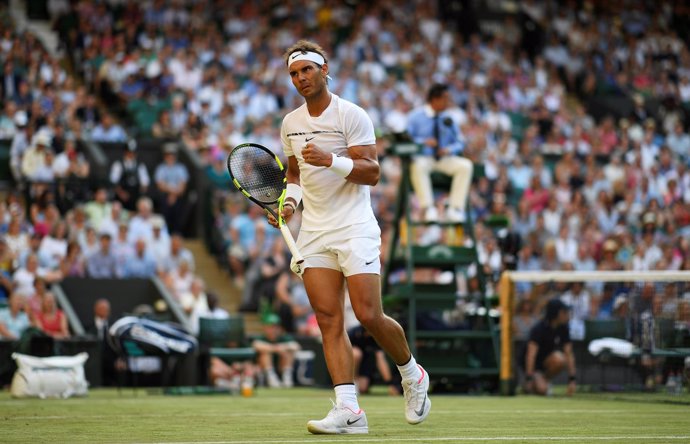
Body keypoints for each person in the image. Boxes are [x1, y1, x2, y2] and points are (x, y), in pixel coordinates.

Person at [272, 40, 430, 435]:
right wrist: (290, 204)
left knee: (368, 315)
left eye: (306, 70)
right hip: (315, 231)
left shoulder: (352, 114)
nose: (300, 78)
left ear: (324, 70)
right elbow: (294, 176)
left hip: (355, 226)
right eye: (293, 73)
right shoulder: (291, 123)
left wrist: (331, 160)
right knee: (328, 320)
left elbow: (372, 172)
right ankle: (349, 410)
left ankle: (412, 374)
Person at [406, 83, 473, 222]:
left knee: (466, 166)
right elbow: (406, 139)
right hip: (424, 158)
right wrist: (423, 142)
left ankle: (455, 208)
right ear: (434, 99)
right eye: (445, 98)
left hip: (443, 158)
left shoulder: (448, 118)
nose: (448, 102)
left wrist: (450, 149)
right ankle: (428, 208)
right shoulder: (415, 116)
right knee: (417, 165)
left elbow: (460, 142)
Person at [524, 298, 577, 396]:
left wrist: (572, 380)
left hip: (546, 363)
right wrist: (529, 378)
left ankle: (544, 380)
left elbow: (569, 353)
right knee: (542, 390)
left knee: (560, 359)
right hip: (534, 366)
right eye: (564, 312)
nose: (567, 315)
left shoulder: (564, 328)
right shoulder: (539, 329)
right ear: (556, 313)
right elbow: (530, 355)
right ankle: (533, 382)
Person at [348, 324, 400, 396]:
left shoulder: (376, 336)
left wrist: (390, 384)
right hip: (349, 365)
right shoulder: (352, 333)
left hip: (365, 364)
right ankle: (351, 383)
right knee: (356, 354)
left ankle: (356, 384)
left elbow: (380, 359)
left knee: (363, 388)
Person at [251, 313, 300, 389]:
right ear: (265, 328)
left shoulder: (285, 338)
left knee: (288, 352)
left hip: (281, 368)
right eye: (270, 327)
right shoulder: (261, 338)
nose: (273, 330)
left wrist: (283, 347)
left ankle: (286, 379)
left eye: (275, 327)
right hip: (264, 370)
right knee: (265, 353)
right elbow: (256, 345)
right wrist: (275, 348)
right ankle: (272, 379)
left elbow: (296, 346)